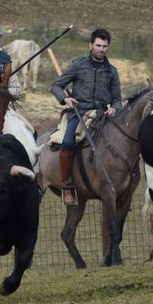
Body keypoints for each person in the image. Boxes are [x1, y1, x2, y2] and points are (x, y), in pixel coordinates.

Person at [50, 28, 122, 206]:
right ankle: (67, 186)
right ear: (91, 45)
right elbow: (56, 86)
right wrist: (65, 99)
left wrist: (114, 108)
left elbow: (118, 100)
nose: (101, 49)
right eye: (98, 45)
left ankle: (116, 187)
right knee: (68, 141)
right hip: (78, 111)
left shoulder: (112, 71)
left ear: (108, 47)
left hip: (102, 114)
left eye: (105, 46)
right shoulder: (78, 65)